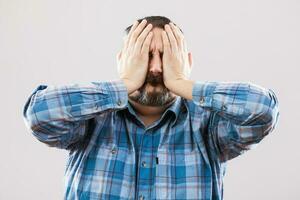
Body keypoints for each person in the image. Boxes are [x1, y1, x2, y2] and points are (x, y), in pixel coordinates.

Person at [23, 16, 280, 200]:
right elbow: (38, 115)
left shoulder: (211, 127)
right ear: (123, 61)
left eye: (166, 56)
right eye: (144, 56)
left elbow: (264, 110)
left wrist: (181, 83)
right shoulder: (90, 118)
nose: (156, 68)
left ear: (186, 62)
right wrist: (123, 85)